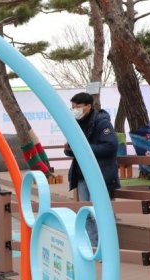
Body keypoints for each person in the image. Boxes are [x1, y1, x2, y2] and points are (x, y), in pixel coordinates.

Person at [64, 92, 119, 246]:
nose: (74, 109)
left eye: (78, 106)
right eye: (72, 107)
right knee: (86, 213)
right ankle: (93, 246)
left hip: (100, 176)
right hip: (81, 176)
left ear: (88, 106)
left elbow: (111, 146)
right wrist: (69, 149)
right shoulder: (75, 123)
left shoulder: (102, 123)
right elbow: (71, 149)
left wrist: (84, 148)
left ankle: (108, 247)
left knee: (101, 213)